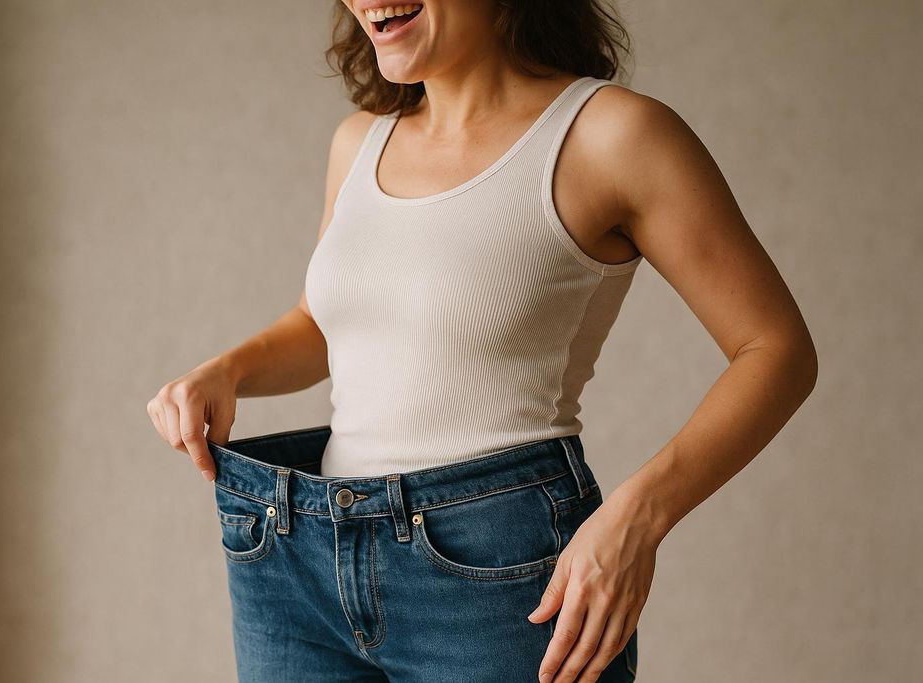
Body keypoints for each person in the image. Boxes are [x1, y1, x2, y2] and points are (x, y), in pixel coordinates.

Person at [146, 1, 818, 681]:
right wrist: (226, 371)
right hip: (299, 566)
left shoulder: (611, 136)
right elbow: (325, 326)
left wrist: (639, 516)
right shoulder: (358, 142)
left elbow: (777, 349)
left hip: (495, 578)